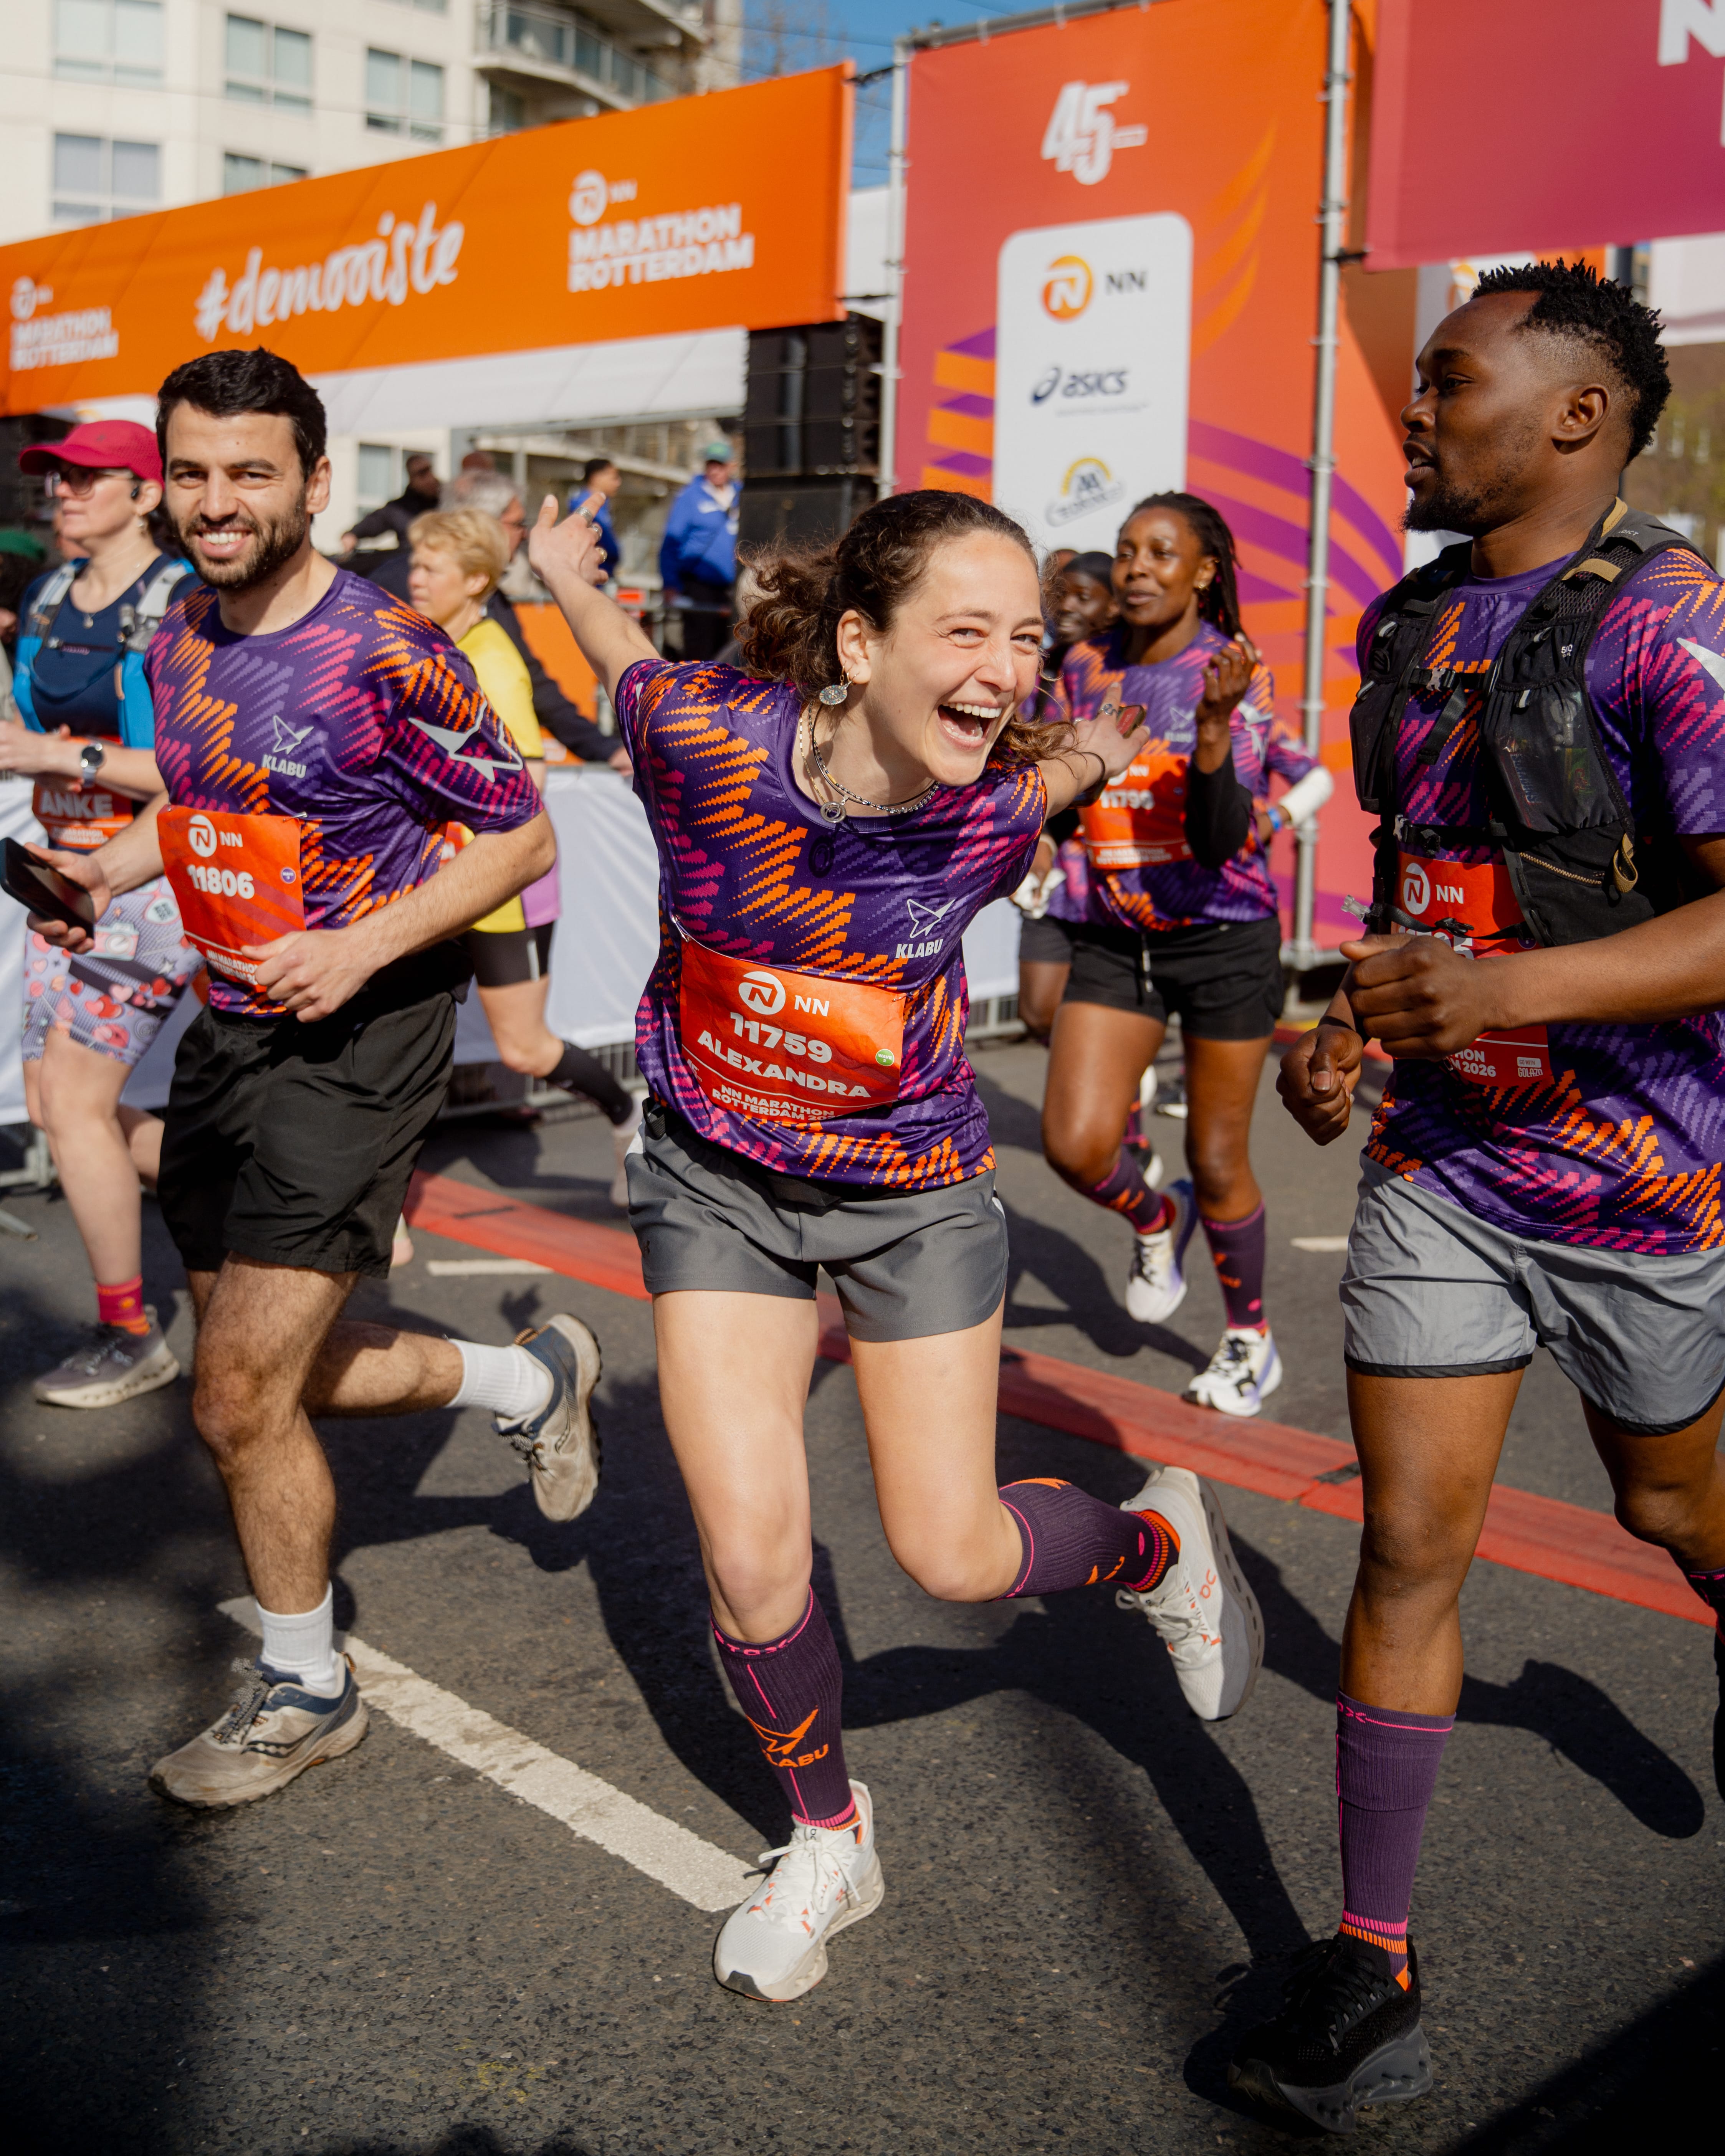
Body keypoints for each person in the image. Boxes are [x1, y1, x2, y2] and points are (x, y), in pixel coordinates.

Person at [528, 483, 1265, 2004]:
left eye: (1022, 638)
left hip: (909, 1190)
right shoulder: (703, 740)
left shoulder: (990, 806)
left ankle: (1154, 1544)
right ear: (858, 645)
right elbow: (623, 661)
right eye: (965, 634)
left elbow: (1068, 758)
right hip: (717, 1178)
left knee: (951, 1553)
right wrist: (560, 578)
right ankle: (827, 1832)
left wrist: (1141, 726)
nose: (1003, 668)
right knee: (744, 1555)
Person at [1234, 261, 1725, 2132]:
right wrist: (1353, 1020)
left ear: (1576, 418)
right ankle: (1371, 1968)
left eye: (1445, 384)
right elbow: (1430, 890)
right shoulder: (1405, 627)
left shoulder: (1668, 630)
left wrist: (1501, 991)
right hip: (1439, 1168)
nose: (1410, 414)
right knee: (1404, 1550)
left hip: (1641, 1189)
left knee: (1672, 1501)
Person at [25, 349, 607, 1811]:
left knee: (229, 1394)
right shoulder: (183, 640)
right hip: (229, 1021)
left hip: (364, 1028)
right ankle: (524, 1375)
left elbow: (519, 841)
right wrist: (101, 871)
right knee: (264, 1374)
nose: (218, 502)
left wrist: (359, 950)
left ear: (311, 482)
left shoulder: (387, 647)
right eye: (196, 473)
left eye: (251, 473)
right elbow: (216, 809)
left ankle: (307, 1684)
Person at [1040, 495, 1333, 1418]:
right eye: (1125, 552)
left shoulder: (1235, 671)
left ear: (1203, 572)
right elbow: (1055, 794)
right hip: (1114, 935)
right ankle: (1150, 1218)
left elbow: (1218, 842)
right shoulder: (1084, 667)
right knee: (1075, 1143)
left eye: (1158, 554)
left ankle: (1249, 1341)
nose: (1132, 569)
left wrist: (1211, 731)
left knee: (1215, 1159)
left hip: (1219, 934)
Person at [0, 419, 200, 1407]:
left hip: (143, 878)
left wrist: (49, 757)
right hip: (56, 870)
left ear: (148, 492)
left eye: (90, 479)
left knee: (74, 1107)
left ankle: (129, 1333)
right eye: (57, 479)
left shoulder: (180, 604)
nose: (65, 493)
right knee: (55, 1110)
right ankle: (275, 1211)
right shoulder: (44, 592)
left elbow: (194, 770)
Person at [407, 505, 641, 1200]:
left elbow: (526, 782)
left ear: (476, 580)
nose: (412, 578)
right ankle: (377, 1205)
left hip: (504, 880)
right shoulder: (424, 643)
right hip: (435, 878)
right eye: (414, 564)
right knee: (395, 1033)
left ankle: (626, 1111)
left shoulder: (491, 659)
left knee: (524, 1049)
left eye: (428, 568)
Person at [1015, 552, 1120, 1038]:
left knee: (1099, 1023)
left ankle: (1120, 1095)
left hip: (1107, 877)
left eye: (1082, 595)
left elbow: (1099, 773)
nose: (1066, 607)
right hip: (1050, 874)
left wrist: (1051, 837)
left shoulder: (1119, 671)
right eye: (1057, 595)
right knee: (1038, 1013)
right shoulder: (1044, 666)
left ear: (1115, 604)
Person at [659, 440, 739, 662]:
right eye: (711, 464)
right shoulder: (690, 497)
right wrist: (670, 584)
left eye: (720, 465)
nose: (715, 470)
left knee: (733, 649)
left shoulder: (741, 493)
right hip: (699, 586)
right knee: (701, 650)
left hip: (734, 588)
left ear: (731, 466)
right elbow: (671, 543)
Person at [337, 449, 440, 557]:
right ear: (412, 479)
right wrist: (353, 534)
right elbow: (375, 522)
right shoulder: (399, 508)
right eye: (422, 474)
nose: (430, 478)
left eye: (430, 471)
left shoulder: (447, 500)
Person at [568, 456, 622, 580]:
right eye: (614, 478)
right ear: (596, 477)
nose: (618, 483)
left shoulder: (603, 507)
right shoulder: (582, 506)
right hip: (588, 576)